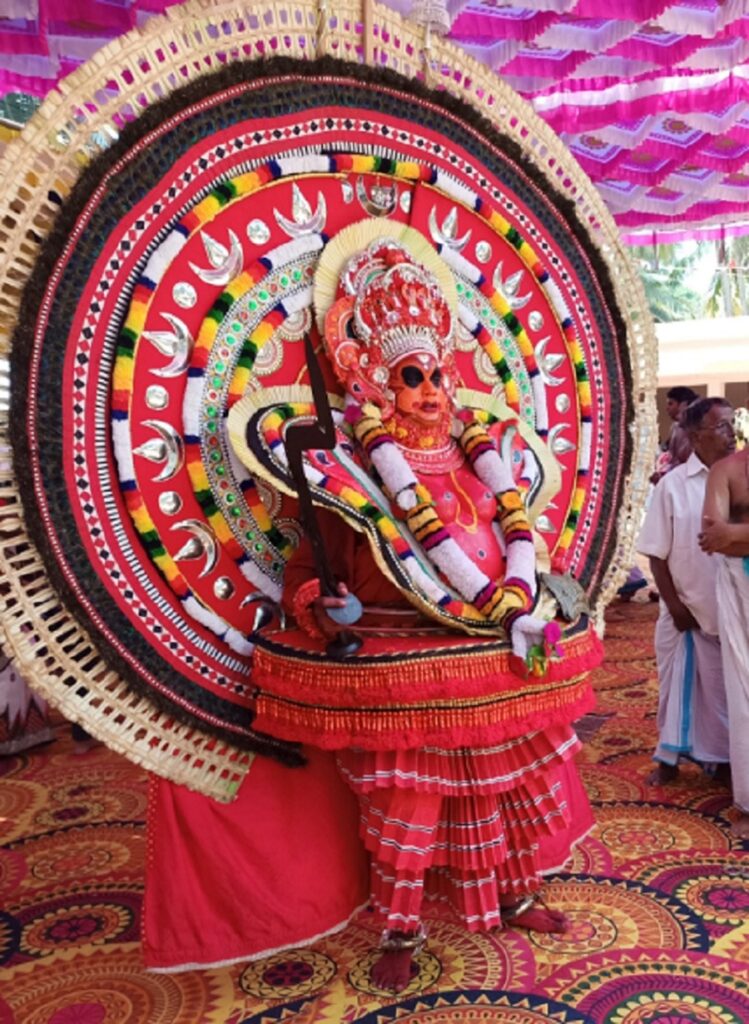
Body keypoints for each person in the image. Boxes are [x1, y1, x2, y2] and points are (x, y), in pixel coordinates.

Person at [280, 234, 594, 991]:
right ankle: (400, 926)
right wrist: (326, 604)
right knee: (410, 807)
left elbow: (523, 538)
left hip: (498, 649)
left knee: (509, 786)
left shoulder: (488, 460)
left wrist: (533, 591)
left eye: (437, 375)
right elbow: (303, 567)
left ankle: (514, 892)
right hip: (405, 663)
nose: (429, 390)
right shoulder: (349, 465)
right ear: (381, 384)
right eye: (410, 376)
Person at [638, 397, 734, 786]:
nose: (731, 435)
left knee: (723, 690)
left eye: (732, 424)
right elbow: (657, 554)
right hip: (682, 611)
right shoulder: (673, 486)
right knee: (674, 690)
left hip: (727, 609)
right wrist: (675, 606)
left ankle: (725, 759)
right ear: (695, 438)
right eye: (721, 427)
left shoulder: (737, 479)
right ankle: (669, 759)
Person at [699, 437, 749, 838]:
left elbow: (726, 535)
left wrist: (735, 532)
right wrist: (730, 535)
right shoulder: (727, 470)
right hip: (739, 590)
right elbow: (713, 538)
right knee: (744, 694)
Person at [651, 385, 699, 483]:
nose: (667, 408)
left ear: (683, 404)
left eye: (671, 404)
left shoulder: (696, 427)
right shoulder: (676, 427)